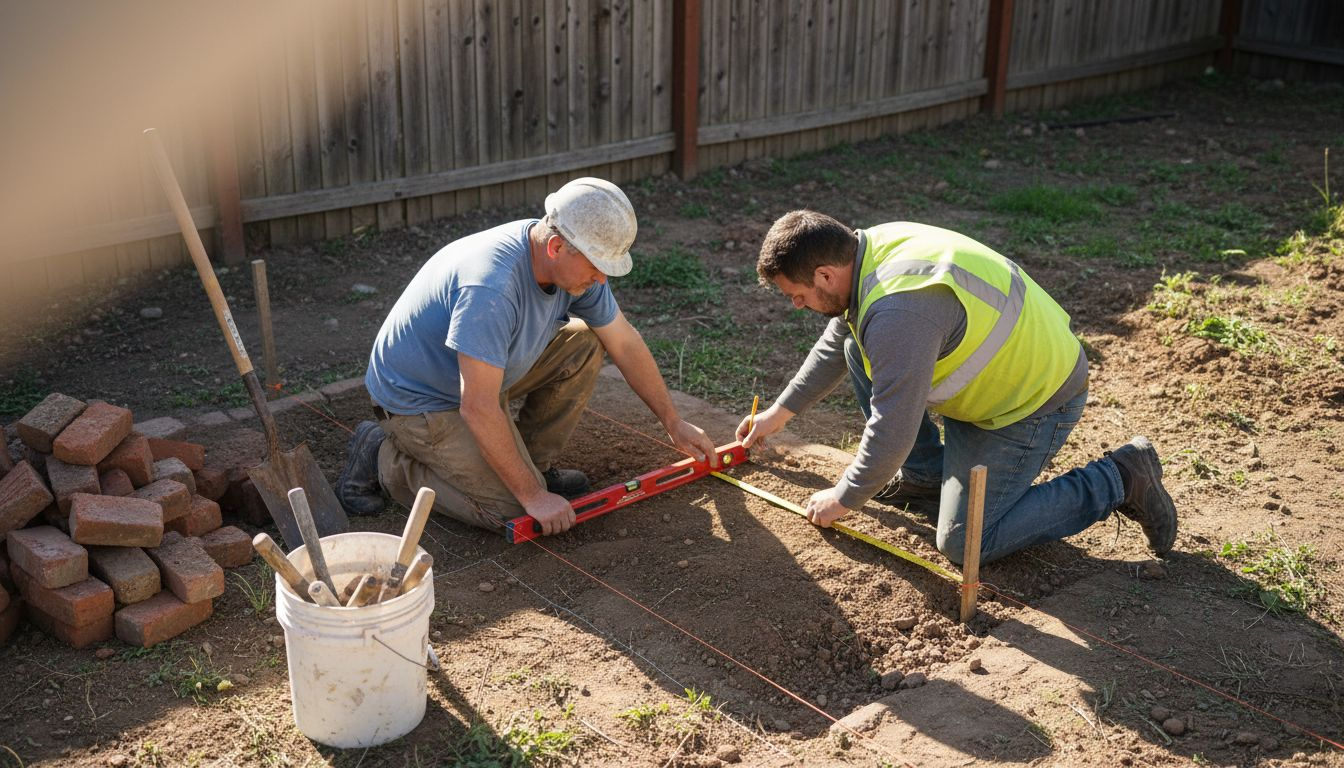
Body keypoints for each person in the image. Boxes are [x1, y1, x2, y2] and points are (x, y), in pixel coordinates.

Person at [737, 210, 1177, 564]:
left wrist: (844, 498)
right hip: (998, 377)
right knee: (858, 348)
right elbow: (842, 338)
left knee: (967, 544)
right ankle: (928, 476)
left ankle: (1120, 477)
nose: (796, 305)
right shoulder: (869, 247)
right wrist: (778, 414)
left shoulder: (899, 313)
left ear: (826, 274)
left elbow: (893, 427)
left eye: (796, 294)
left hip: (1031, 402)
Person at [337, 177, 719, 536]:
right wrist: (532, 498)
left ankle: (532, 467)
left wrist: (673, 421)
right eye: (597, 267)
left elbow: (625, 343)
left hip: (482, 374)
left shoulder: (568, 259)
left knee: (585, 341)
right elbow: (478, 407)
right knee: (515, 512)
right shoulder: (491, 287)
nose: (602, 280)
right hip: (423, 402)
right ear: (556, 247)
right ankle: (386, 458)